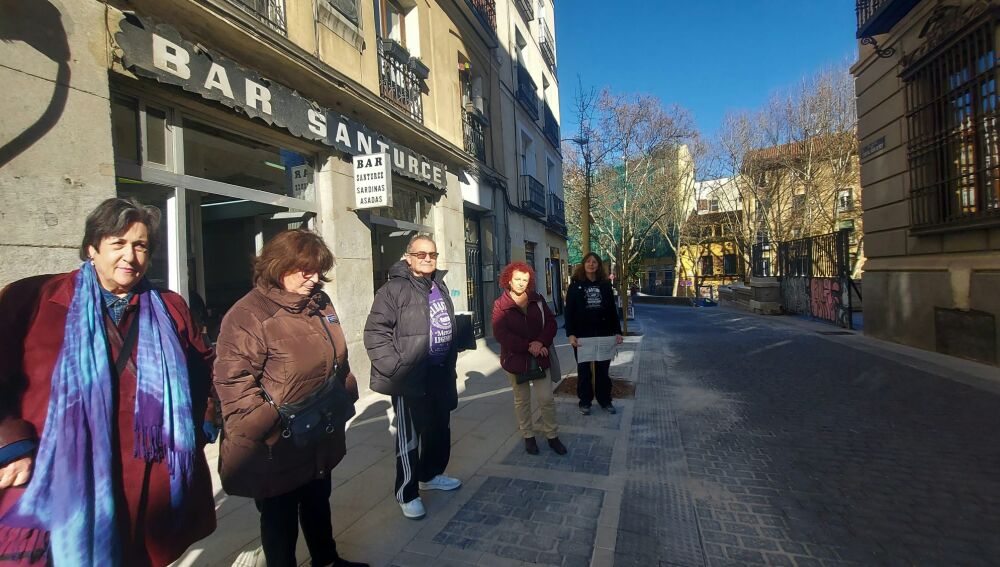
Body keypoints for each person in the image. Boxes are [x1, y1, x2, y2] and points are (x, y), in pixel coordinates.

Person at [0, 197, 216, 566]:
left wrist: (202, 423)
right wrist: (11, 443)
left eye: (140, 245)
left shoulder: (171, 306)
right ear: (91, 248)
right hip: (57, 473)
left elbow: (203, 367)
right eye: (117, 243)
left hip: (148, 476)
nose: (129, 256)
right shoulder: (32, 299)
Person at [213, 229, 367, 567]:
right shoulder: (248, 315)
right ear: (278, 266)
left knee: (317, 500)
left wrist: (343, 390)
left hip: (318, 429)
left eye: (318, 271)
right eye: (305, 271)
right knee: (279, 519)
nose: (314, 279)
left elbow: (337, 356)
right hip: (278, 442)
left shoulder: (319, 303)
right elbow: (234, 382)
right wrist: (266, 424)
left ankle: (326, 560)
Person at [364, 235, 461, 521]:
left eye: (432, 254)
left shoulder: (437, 284)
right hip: (411, 378)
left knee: (439, 430)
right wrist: (397, 369)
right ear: (408, 257)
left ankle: (430, 475)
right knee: (409, 439)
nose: (428, 259)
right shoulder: (392, 290)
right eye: (421, 254)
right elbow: (375, 334)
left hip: (439, 374)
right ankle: (407, 492)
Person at [491, 262, 567, 456]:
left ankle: (552, 435)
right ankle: (528, 436)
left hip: (540, 356)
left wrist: (540, 342)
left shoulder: (538, 299)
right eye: (517, 279)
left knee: (546, 398)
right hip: (515, 360)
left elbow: (551, 323)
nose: (521, 283)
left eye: (525, 280)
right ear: (508, 279)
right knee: (522, 400)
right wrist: (528, 346)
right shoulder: (500, 304)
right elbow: (501, 334)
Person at [564, 252, 623, 415]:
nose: (591, 264)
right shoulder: (575, 286)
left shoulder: (605, 285)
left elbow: (612, 310)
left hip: (604, 334)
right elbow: (569, 312)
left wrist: (617, 331)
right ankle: (585, 401)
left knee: (603, 371)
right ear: (583, 264)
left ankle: (605, 400)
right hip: (582, 336)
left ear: (598, 265)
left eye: (595, 262)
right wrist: (570, 334)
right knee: (584, 371)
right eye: (588, 261)